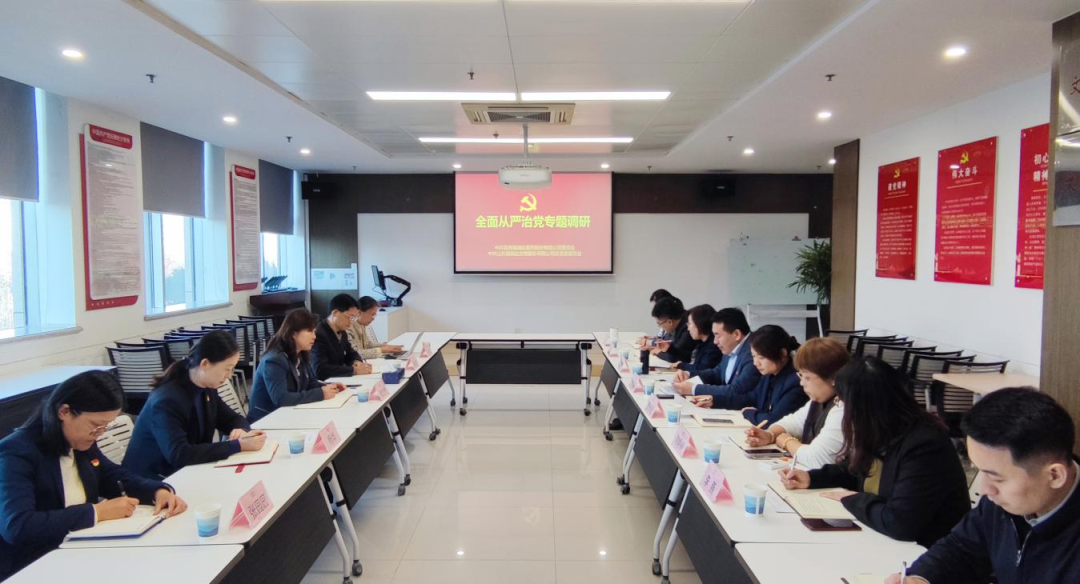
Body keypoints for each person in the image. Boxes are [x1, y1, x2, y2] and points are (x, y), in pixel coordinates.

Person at [0, 371, 186, 579]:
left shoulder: (79, 442)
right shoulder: (15, 452)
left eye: (105, 426)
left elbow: (111, 476)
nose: (99, 434)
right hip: (33, 565)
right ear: (64, 411)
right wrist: (97, 512)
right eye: (96, 426)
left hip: (79, 551)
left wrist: (157, 491)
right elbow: (17, 526)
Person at [886, 388, 1080, 584]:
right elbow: (961, 548)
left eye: (996, 478)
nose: (984, 489)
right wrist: (921, 578)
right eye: (980, 471)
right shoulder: (1005, 502)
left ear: (1054, 476)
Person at [777, 356, 969, 548]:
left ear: (864, 406)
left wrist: (851, 499)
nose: (841, 408)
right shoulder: (882, 429)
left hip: (923, 550)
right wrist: (812, 478)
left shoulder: (925, 447)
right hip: (882, 539)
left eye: (842, 401)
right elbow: (855, 471)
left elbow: (900, 522)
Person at [123, 330, 267, 479]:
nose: (229, 376)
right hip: (153, 479)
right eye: (227, 369)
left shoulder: (206, 387)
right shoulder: (167, 400)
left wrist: (241, 430)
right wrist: (238, 445)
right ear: (205, 364)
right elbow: (179, 454)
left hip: (187, 471)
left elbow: (232, 418)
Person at [743, 337, 849, 469]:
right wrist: (770, 435)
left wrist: (787, 441)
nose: (802, 383)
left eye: (807, 377)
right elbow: (792, 422)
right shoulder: (818, 400)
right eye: (801, 376)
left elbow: (817, 458)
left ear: (834, 378)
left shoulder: (843, 407)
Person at [688, 324, 806, 426]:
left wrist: (749, 413)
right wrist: (715, 400)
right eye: (753, 356)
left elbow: (774, 420)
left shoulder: (796, 382)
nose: (756, 363)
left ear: (782, 354)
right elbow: (751, 398)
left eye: (761, 357)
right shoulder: (770, 373)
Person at [248, 309, 344, 423]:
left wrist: (329, 386)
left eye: (314, 331)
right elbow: (281, 399)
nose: (314, 336)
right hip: (266, 420)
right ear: (293, 333)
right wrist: (320, 393)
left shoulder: (300, 353)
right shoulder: (274, 360)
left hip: (289, 415)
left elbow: (309, 383)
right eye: (309, 331)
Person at [673, 307, 760, 399]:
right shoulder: (731, 347)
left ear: (737, 334)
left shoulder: (754, 352)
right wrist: (688, 374)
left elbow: (737, 390)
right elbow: (717, 373)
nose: (715, 341)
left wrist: (694, 389)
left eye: (718, 336)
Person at [311, 294, 372, 379]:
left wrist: (356, 362)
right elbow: (320, 370)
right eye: (349, 317)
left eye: (354, 318)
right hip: (324, 383)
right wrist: (354, 370)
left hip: (338, 381)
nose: (351, 322)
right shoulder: (319, 334)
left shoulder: (342, 332)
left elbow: (351, 353)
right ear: (335, 313)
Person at [346, 296, 404, 360]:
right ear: (359, 312)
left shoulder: (361, 325)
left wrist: (387, 346)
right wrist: (382, 350)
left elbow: (368, 344)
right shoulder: (348, 328)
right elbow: (356, 353)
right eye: (372, 314)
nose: (373, 318)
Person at [672, 304, 722, 374]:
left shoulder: (714, 345)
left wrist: (681, 365)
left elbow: (701, 369)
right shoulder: (701, 343)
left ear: (700, 323)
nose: (688, 329)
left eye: (690, 324)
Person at [651, 296, 700, 364]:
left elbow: (674, 358)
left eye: (659, 324)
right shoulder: (678, 323)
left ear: (669, 322)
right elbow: (668, 345)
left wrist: (658, 353)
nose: (660, 327)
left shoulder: (687, 330)